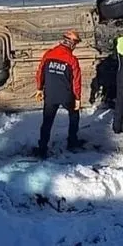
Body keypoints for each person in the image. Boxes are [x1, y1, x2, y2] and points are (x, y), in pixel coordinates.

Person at [34, 29, 83, 158]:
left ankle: (42, 147)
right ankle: (72, 142)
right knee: (74, 115)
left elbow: (40, 72)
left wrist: (39, 88)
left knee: (47, 122)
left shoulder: (48, 54)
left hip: (50, 94)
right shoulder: (72, 59)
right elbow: (76, 81)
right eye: (75, 44)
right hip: (66, 95)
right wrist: (77, 98)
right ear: (71, 43)